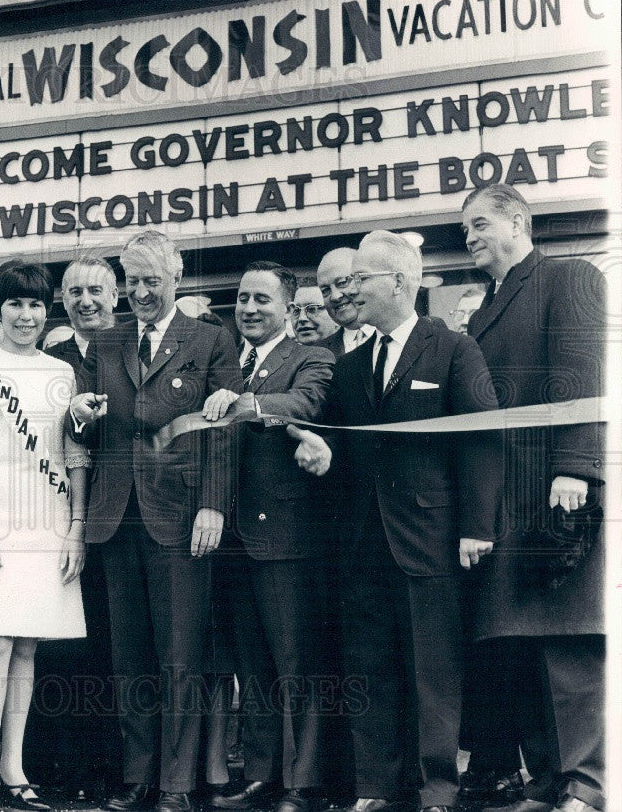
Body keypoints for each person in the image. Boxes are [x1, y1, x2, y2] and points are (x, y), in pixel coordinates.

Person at [297, 230, 502, 812]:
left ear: (401, 283)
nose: (351, 288)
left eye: (362, 278)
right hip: (362, 545)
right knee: (369, 670)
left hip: (430, 540)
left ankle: (436, 789)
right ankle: (375, 789)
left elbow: (481, 441)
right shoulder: (351, 364)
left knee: (433, 672)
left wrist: (476, 526)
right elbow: (342, 448)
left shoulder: (453, 350)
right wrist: (320, 451)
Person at [70, 230, 241, 812]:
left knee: (182, 654)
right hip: (117, 517)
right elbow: (88, 429)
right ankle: (138, 775)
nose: (141, 292)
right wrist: (78, 413)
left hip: (181, 516)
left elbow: (224, 430)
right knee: (131, 655)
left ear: (176, 277)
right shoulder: (107, 341)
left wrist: (213, 504)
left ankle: (176, 784)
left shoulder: (212, 340)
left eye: (152, 281)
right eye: (133, 281)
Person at [461, 185, 606, 812]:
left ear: (519, 220)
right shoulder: (483, 308)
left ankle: (586, 784)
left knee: (569, 645)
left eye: (480, 223)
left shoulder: (568, 277)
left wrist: (574, 468)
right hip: (503, 500)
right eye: (464, 227)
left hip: (554, 491)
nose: (469, 236)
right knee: (520, 645)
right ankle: (547, 778)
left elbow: (584, 376)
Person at [0, 260, 89, 812]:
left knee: (27, 643)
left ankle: (15, 766)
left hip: (47, 518)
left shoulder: (63, 372)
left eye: (34, 305)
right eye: (15, 305)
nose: (26, 315)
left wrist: (76, 529)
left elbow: (74, 455)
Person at [200, 261, 338, 812]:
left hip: (285, 538)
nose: (250, 309)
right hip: (227, 538)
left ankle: (304, 782)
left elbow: (306, 404)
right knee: (251, 663)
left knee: (295, 661)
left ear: (287, 307)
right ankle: (261, 775)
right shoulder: (223, 358)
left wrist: (246, 404)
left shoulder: (312, 357)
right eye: (242, 298)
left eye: (262, 299)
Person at [37, 254, 121, 800]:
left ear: (114, 296)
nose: (85, 300)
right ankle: (63, 767)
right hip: (58, 519)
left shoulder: (135, 347)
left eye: (95, 290)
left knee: (118, 648)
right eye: (74, 292)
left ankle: (116, 768)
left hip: (123, 518)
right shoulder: (52, 358)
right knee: (63, 645)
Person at [315, 248, 374, 356]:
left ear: (364, 279)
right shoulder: (317, 353)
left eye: (342, 283)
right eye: (325, 290)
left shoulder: (396, 335)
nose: (335, 296)